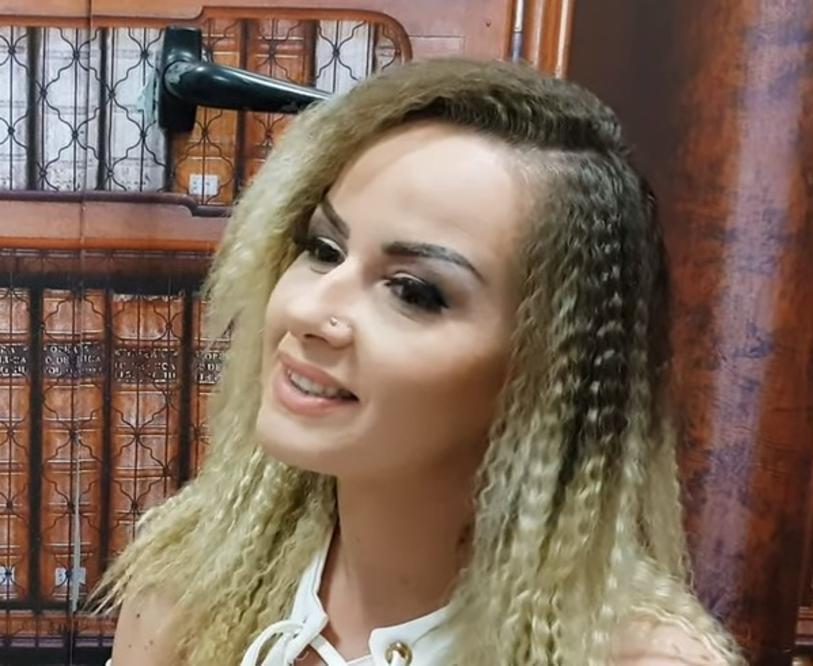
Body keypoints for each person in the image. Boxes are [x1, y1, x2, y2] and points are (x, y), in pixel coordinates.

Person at [95, 57, 743, 666]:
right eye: (322, 249)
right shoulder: (186, 584)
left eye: (413, 291)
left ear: (550, 371)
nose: (310, 311)